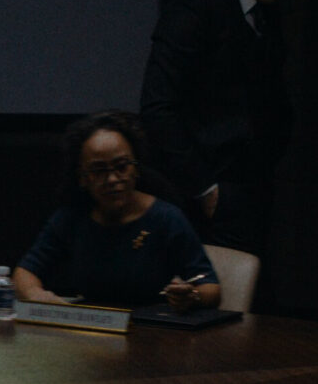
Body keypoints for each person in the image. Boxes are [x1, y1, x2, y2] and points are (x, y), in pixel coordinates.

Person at [138, 0, 315, 253]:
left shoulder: (268, 19)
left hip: (248, 198)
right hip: (195, 203)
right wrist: (205, 190)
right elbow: (158, 109)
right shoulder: (193, 12)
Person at [13, 111, 219, 312]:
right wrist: (37, 296)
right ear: (83, 177)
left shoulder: (166, 218)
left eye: (122, 167)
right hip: (92, 327)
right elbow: (24, 273)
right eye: (99, 170)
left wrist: (192, 296)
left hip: (153, 329)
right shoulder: (72, 217)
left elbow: (211, 288)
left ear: (136, 168)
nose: (112, 179)